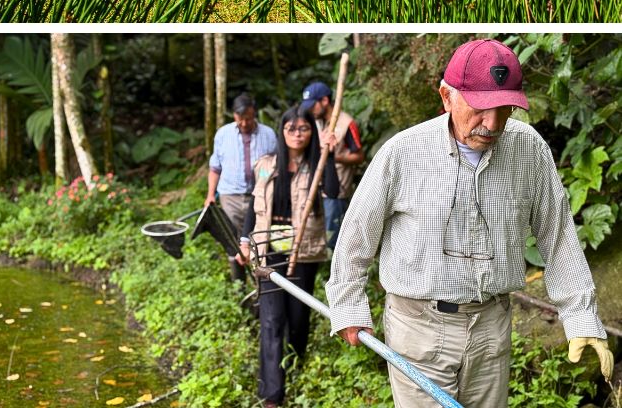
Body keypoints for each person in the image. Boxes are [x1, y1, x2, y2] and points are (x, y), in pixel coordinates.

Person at [327, 39, 613, 408]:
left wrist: (581, 318)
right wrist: (349, 307)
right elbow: (355, 237)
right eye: (480, 108)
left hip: (492, 327)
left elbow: (557, 237)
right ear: (446, 97)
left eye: (505, 109)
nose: (492, 124)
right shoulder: (403, 153)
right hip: (418, 328)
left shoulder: (529, 150)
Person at [236, 105, 340, 408]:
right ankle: (272, 394)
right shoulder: (266, 165)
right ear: (282, 132)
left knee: (297, 318)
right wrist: (245, 241)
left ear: (312, 132)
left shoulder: (316, 165)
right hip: (268, 250)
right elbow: (252, 207)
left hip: (303, 251)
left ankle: (295, 367)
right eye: (291, 129)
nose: (297, 135)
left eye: (304, 129)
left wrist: (329, 154)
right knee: (271, 320)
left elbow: (332, 192)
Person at [206, 93, 278, 281]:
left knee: (258, 237)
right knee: (234, 240)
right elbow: (215, 168)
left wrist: (262, 180)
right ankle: (239, 283)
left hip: (259, 195)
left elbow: (272, 165)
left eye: (248, 118)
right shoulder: (223, 134)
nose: (244, 123)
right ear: (234, 116)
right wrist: (210, 195)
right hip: (231, 195)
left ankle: (259, 280)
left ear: (254, 114)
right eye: (240, 118)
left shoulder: (268, 134)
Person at [299, 81, 363, 250]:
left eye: (313, 105)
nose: (311, 110)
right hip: (314, 187)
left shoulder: (346, 123)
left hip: (338, 191)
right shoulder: (315, 122)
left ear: (325, 101)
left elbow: (359, 156)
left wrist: (335, 157)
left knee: (333, 239)